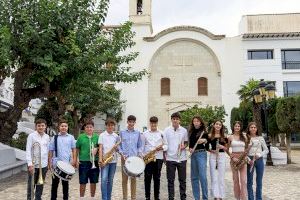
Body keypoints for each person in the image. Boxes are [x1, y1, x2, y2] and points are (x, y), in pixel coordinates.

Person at [49, 119, 76, 200]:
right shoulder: (55, 137)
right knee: (54, 184)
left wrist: (74, 160)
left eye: (65, 126)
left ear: (67, 127)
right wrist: (50, 162)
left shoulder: (71, 137)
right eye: (62, 126)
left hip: (67, 164)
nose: (63, 127)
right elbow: (51, 150)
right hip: (56, 165)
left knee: (65, 185)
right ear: (59, 127)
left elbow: (74, 149)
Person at [163, 112, 188, 200]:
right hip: (170, 159)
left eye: (177, 119)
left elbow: (186, 143)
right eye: (174, 119)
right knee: (170, 180)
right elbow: (165, 144)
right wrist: (164, 157)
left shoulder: (184, 130)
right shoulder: (166, 130)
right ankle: (171, 198)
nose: (175, 120)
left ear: (179, 120)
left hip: (182, 158)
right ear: (171, 120)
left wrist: (183, 146)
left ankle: (183, 197)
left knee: (182, 180)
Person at [119, 115, 143, 200]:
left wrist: (139, 153)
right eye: (130, 121)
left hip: (134, 159)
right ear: (127, 122)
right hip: (124, 159)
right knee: (124, 180)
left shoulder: (137, 133)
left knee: (133, 179)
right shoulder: (122, 132)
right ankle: (124, 197)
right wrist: (122, 153)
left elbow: (140, 145)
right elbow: (119, 145)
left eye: (133, 122)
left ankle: (133, 198)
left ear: (134, 123)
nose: (131, 123)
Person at [142, 116, 166, 200]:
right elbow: (142, 147)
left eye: (155, 123)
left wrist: (162, 148)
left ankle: (157, 197)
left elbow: (166, 145)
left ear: (157, 123)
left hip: (158, 158)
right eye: (152, 123)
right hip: (148, 158)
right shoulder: (145, 134)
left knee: (157, 178)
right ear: (150, 123)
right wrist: (143, 156)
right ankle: (147, 197)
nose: (153, 124)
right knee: (147, 178)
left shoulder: (162, 133)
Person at [26, 118, 49, 200]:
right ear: (36, 126)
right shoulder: (31, 136)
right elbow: (28, 150)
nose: (41, 127)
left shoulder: (47, 137)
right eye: (39, 126)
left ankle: (38, 198)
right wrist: (30, 164)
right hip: (33, 165)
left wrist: (48, 164)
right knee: (31, 185)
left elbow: (47, 150)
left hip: (43, 164)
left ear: (45, 126)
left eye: (42, 125)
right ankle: (30, 198)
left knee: (40, 184)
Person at [76, 120, 99, 199]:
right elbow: (77, 148)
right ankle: (81, 198)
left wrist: (97, 148)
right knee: (83, 181)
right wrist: (77, 158)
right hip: (83, 162)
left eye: (91, 127)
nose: (89, 129)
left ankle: (92, 197)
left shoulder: (97, 137)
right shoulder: (81, 137)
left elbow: (100, 147)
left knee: (93, 181)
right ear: (84, 128)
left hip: (94, 162)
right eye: (87, 127)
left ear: (93, 128)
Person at [227, 121, 250, 200]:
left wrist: (246, 157)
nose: (237, 127)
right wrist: (232, 157)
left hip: (243, 159)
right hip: (234, 159)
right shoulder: (230, 137)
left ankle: (244, 198)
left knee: (243, 181)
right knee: (235, 180)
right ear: (233, 127)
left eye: (239, 126)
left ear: (241, 127)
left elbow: (246, 149)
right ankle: (237, 198)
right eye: (236, 126)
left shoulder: (244, 137)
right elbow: (228, 149)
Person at [98, 118, 120, 200]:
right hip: (104, 160)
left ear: (114, 126)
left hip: (113, 161)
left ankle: (109, 198)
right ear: (106, 126)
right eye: (108, 125)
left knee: (110, 180)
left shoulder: (116, 136)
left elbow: (118, 149)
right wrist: (100, 160)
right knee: (103, 180)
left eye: (112, 125)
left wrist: (117, 148)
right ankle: (104, 198)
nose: (110, 127)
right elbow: (100, 148)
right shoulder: (102, 135)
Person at [188, 115, 209, 200]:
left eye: (197, 121)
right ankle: (196, 198)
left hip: (201, 154)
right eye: (194, 121)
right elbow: (191, 144)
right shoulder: (191, 132)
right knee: (194, 177)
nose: (195, 122)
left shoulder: (204, 132)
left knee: (203, 176)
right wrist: (190, 148)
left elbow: (207, 145)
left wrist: (204, 140)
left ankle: (205, 197)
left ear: (200, 123)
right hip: (193, 155)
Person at [246, 122, 268, 200]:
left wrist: (260, 155)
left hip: (259, 160)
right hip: (249, 160)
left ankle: (259, 198)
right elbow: (244, 151)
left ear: (257, 129)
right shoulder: (246, 138)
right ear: (249, 129)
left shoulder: (260, 138)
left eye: (254, 127)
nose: (253, 128)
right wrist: (248, 160)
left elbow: (266, 150)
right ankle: (251, 198)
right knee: (249, 181)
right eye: (251, 127)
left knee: (259, 181)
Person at [208, 120, 228, 200]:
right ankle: (216, 196)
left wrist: (222, 147)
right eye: (217, 124)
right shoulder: (209, 136)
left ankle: (221, 196)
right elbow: (206, 147)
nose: (218, 126)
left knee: (221, 176)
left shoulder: (224, 136)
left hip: (222, 156)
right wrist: (212, 151)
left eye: (220, 124)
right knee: (214, 176)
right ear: (214, 125)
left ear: (221, 126)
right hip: (213, 156)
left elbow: (227, 148)